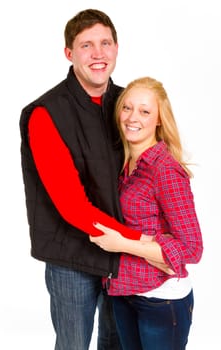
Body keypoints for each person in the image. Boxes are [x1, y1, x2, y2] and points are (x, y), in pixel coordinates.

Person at [19, 8, 150, 350]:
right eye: (86, 45)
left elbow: (152, 173)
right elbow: (73, 207)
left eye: (105, 43)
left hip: (121, 254)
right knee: (73, 345)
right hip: (73, 259)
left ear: (117, 48)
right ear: (69, 53)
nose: (98, 54)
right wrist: (144, 242)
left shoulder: (128, 105)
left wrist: (142, 243)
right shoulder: (46, 114)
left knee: (118, 343)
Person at [90, 77, 203, 350]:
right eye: (126, 108)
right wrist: (149, 242)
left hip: (161, 300)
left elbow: (192, 249)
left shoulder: (165, 170)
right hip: (125, 292)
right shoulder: (125, 164)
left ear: (159, 120)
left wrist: (125, 244)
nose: (132, 117)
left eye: (144, 111)